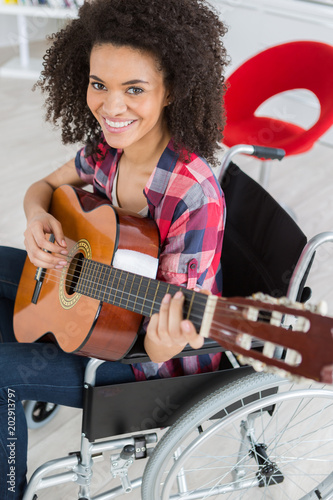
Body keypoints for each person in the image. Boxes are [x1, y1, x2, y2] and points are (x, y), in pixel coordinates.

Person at [0, 0, 229, 497]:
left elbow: (160, 346)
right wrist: (39, 219)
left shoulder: (193, 195)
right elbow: (43, 187)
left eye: (135, 89)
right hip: (97, 305)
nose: (111, 106)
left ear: (172, 91)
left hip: (143, 365)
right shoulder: (107, 147)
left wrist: (167, 336)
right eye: (99, 83)